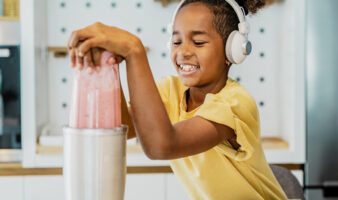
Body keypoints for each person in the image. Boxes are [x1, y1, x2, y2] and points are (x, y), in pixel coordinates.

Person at [68, 0, 287, 199]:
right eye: (176, 41)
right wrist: (110, 64)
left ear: (232, 51)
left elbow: (161, 146)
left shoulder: (235, 104)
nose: (183, 52)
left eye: (199, 42)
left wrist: (134, 50)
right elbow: (124, 124)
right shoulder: (171, 90)